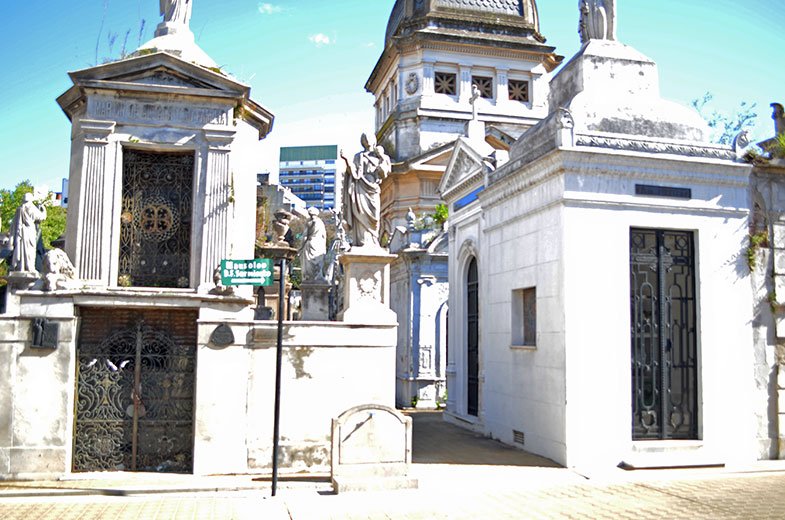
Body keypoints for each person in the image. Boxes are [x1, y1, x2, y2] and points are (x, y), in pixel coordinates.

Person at [341, 133, 391, 249]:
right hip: (360, 187)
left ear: (374, 140)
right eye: (365, 138)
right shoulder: (359, 156)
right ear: (362, 141)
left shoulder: (381, 156)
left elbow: (384, 173)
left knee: (375, 217)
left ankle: (373, 241)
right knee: (360, 214)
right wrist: (347, 160)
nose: (367, 141)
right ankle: (362, 241)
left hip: (373, 188)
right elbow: (353, 173)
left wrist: (381, 156)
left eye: (369, 138)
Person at [10, 193, 47, 273]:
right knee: (30, 249)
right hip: (29, 232)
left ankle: (20, 266)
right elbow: (42, 217)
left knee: (20, 248)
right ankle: (29, 267)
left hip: (20, 232)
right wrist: (44, 209)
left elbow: (13, 224)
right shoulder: (31, 208)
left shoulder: (19, 209)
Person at [300, 207, 327, 282]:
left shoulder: (309, 222)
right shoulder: (320, 223)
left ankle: (309, 277)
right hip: (319, 244)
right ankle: (318, 276)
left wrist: (301, 247)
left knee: (309, 263)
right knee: (318, 261)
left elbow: (305, 236)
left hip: (311, 243)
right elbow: (324, 236)